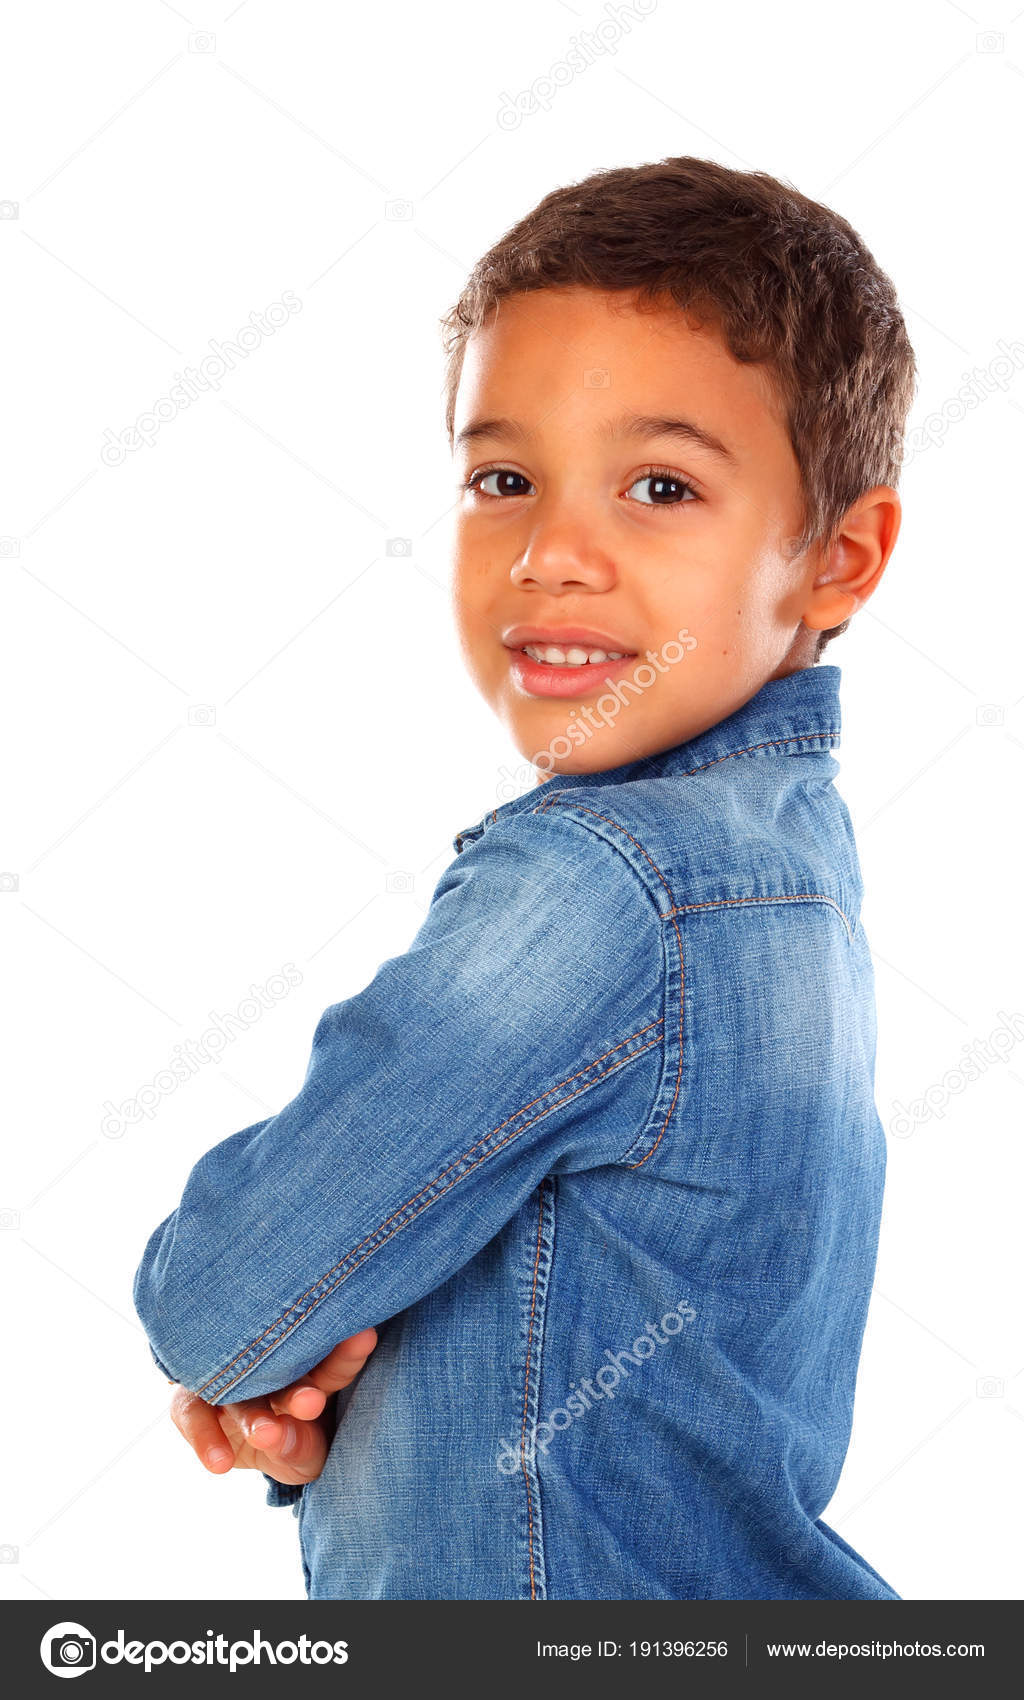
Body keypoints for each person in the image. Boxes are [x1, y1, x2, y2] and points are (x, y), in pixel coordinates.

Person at [133, 155, 915, 1601]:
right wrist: (300, 1372)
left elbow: (220, 1294)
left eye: (661, 486)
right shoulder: (787, 872)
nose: (554, 553)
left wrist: (257, 1342)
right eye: (504, 479)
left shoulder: (609, 883)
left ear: (839, 556)